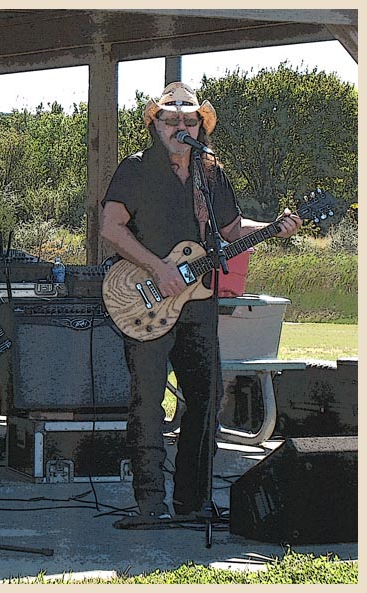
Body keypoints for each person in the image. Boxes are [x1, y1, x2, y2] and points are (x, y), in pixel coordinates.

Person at [100, 82, 302, 525]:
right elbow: (111, 228)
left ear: (199, 126)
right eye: (171, 119)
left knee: (205, 401)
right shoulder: (134, 170)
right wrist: (158, 267)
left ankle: (192, 502)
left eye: (188, 120)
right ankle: (148, 504)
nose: (180, 126)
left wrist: (275, 226)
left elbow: (231, 230)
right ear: (155, 124)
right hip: (144, 298)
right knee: (147, 403)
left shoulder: (209, 174)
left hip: (198, 303)